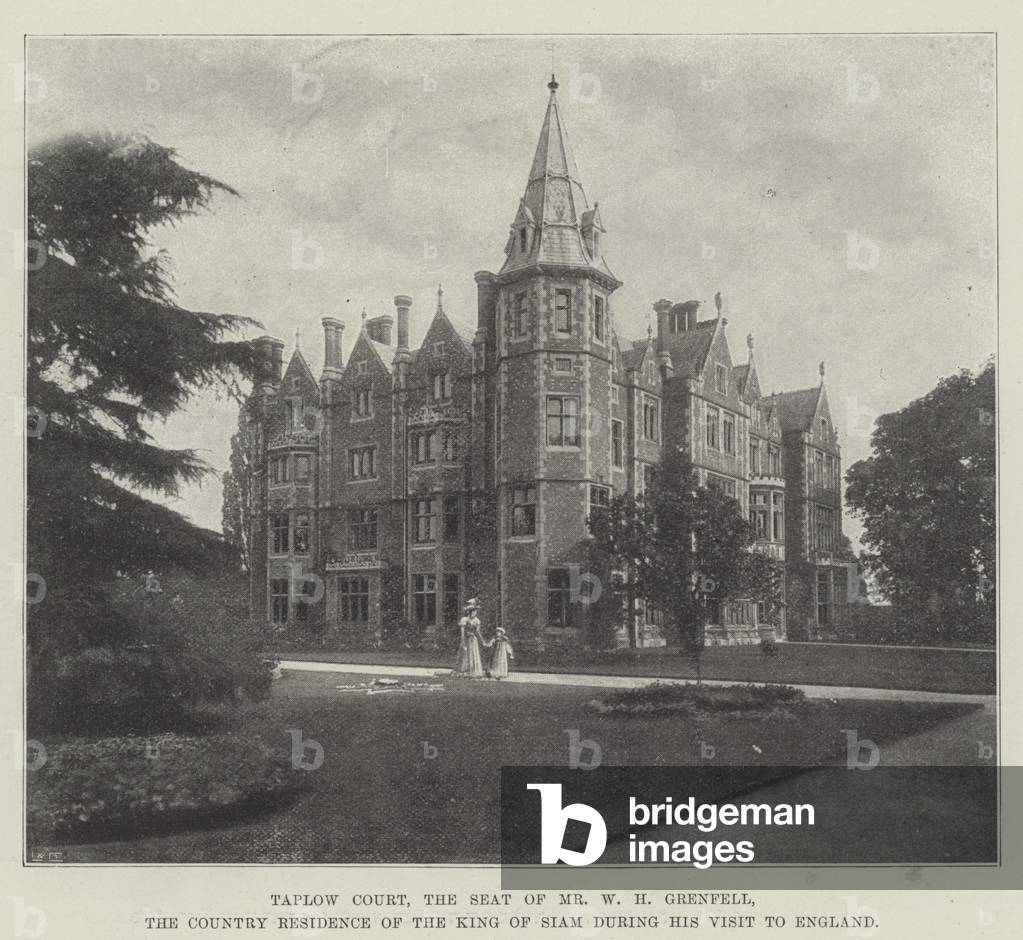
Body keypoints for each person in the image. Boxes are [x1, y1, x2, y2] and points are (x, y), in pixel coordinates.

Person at [463, 599, 485, 678]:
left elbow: (478, 632)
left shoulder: (477, 621)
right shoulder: (466, 619)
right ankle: (467, 670)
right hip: (467, 638)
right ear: (470, 612)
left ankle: (474, 670)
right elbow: (463, 630)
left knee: (473, 653)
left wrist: (482, 641)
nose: (475, 613)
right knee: (467, 653)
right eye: (473, 611)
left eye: (475, 612)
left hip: (473, 639)